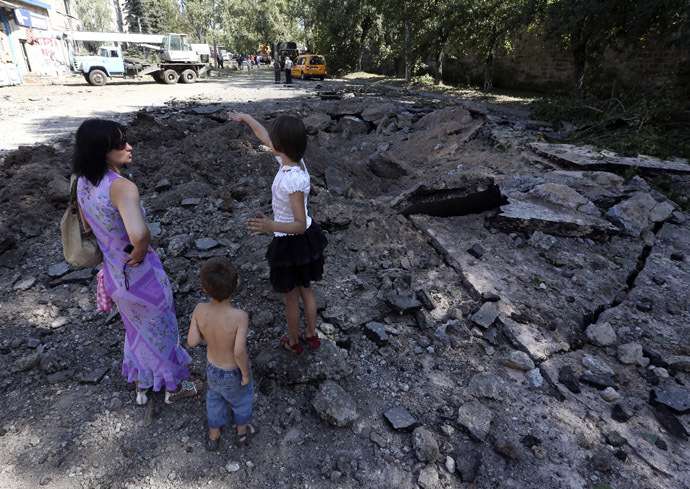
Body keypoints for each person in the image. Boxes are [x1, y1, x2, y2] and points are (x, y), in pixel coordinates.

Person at [73, 119, 202, 406]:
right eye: (120, 144)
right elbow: (139, 233)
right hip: (139, 274)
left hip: (113, 275)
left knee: (136, 332)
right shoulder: (121, 187)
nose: (129, 147)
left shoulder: (82, 182)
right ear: (102, 150)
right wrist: (140, 251)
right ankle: (174, 388)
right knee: (163, 329)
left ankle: (142, 386)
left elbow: (86, 225)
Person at [227, 112, 327, 355]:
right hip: (305, 242)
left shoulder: (290, 181)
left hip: (291, 241)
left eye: (273, 140)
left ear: (279, 146)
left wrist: (270, 226)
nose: (268, 141)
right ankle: (312, 334)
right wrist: (247, 118)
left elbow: (299, 224)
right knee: (307, 290)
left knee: (292, 298)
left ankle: (293, 341)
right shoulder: (294, 162)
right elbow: (264, 136)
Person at [188, 257, 257, 450]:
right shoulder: (240, 317)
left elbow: (192, 341)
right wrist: (245, 374)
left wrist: (209, 338)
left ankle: (214, 435)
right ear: (236, 283)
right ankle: (242, 434)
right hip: (233, 371)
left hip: (212, 369)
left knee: (215, 399)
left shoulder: (199, 310)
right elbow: (239, 352)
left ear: (204, 288)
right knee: (241, 401)